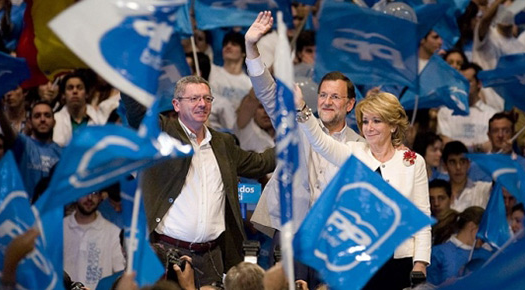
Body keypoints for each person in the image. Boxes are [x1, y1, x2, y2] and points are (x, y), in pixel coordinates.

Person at [245, 12, 363, 288]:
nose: (327, 101)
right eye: (323, 95)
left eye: (336, 96)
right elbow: (267, 93)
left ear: (350, 104)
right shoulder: (297, 126)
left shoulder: (361, 146)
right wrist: (251, 47)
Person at [122, 75, 276, 286]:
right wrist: (126, 74)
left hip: (212, 257)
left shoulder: (223, 143)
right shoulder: (162, 133)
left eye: (207, 98)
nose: (202, 104)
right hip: (167, 255)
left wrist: (292, 145)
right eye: (193, 98)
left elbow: (260, 163)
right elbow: (136, 113)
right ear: (176, 104)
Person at [295, 89, 430, 289]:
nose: (369, 127)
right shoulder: (353, 151)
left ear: (393, 125)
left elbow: (422, 216)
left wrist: (420, 262)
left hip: (399, 261)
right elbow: (321, 143)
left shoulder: (412, 162)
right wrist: (302, 108)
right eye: (365, 121)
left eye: (376, 121)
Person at [63, 191, 125, 289]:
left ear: (101, 197)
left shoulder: (113, 231)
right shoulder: (59, 229)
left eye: (95, 193)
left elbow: (120, 272)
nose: (90, 198)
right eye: (86, 192)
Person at [0, 101, 61, 196]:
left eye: (47, 115)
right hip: (24, 208)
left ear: (54, 122)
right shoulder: (22, 143)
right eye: (37, 116)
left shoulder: (62, 153)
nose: (42, 119)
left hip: (51, 209)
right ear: (29, 123)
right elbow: (7, 130)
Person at [436, 63, 497, 150]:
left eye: (468, 82)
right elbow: (445, 142)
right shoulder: (445, 112)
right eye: (460, 82)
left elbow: (491, 146)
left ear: (479, 84)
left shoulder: (492, 114)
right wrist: (477, 148)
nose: (462, 86)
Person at [428, 206, 484, 286]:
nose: (486, 236)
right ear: (471, 226)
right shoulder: (439, 253)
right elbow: (427, 286)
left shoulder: (488, 255)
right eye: (484, 230)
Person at [53, 72, 106, 146]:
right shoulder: (55, 119)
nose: (75, 91)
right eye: (70, 88)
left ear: (87, 93)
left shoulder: (101, 119)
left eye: (79, 87)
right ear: (63, 95)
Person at [472, 0, 525, 71]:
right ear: (495, 13)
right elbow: (485, 20)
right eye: (502, 11)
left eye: (510, 11)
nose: (506, 15)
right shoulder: (487, 34)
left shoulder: (521, 47)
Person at [442, 141, 491, 212]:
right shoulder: (439, 194)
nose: (458, 167)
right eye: (453, 162)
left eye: (462, 161)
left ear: (468, 164)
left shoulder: (483, 189)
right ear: (445, 166)